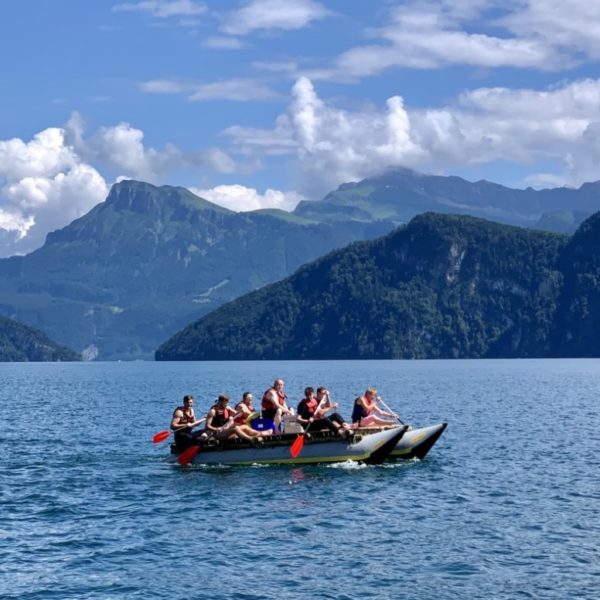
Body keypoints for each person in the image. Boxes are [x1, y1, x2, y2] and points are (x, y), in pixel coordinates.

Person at [206, 394, 270, 442]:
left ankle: (260, 434)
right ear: (220, 402)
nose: (226, 404)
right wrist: (217, 429)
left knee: (244, 427)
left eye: (227, 403)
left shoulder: (227, 408)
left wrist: (240, 412)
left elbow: (236, 413)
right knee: (235, 428)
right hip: (217, 434)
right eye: (225, 403)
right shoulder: (213, 411)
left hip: (226, 431)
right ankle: (250, 439)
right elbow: (207, 426)